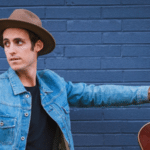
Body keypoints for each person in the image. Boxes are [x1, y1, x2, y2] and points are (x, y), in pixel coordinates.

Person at [0, 9, 149, 150]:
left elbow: (96, 94)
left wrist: (147, 93)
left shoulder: (53, 83)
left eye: (18, 42)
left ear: (37, 45)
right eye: (6, 43)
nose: (10, 50)